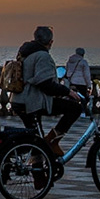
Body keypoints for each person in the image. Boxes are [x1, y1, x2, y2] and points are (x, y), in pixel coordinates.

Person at [14, 25, 83, 155]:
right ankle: (53, 140)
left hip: (19, 99)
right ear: (50, 42)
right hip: (33, 102)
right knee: (75, 108)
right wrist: (67, 92)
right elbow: (46, 85)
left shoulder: (24, 53)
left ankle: (39, 169)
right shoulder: (42, 56)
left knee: (36, 140)